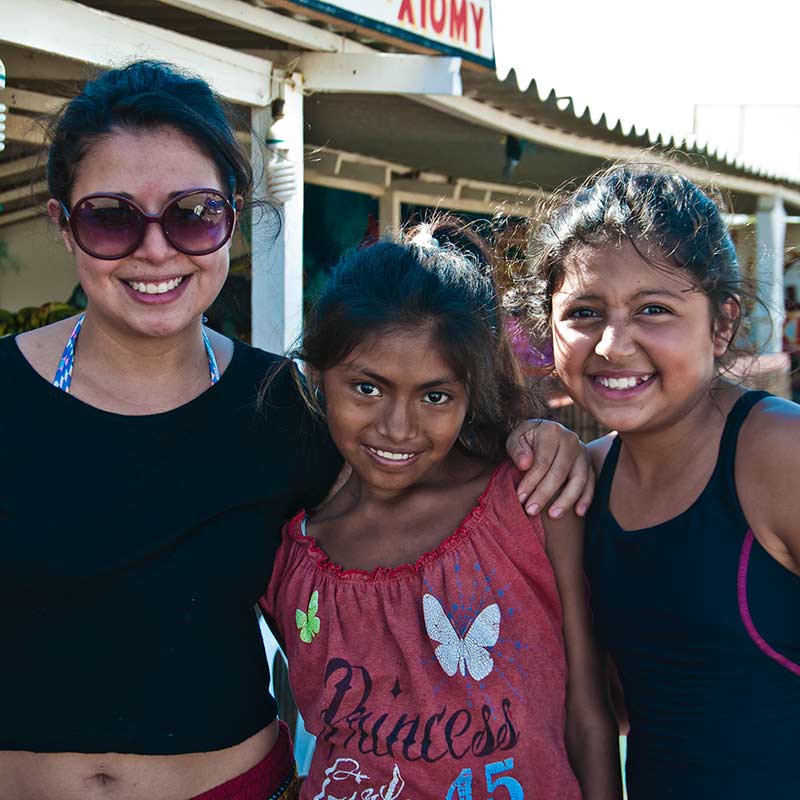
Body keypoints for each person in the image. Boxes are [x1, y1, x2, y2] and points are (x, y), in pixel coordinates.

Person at [0, 61, 592, 800]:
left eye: (191, 213)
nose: (156, 250)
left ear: (233, 217)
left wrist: (533, 440)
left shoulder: (288, 409)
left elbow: (416, 475)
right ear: (63, 223)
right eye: (111, 217)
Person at [260, 219, 622, 799]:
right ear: (317, 375)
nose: (398, 428)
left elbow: (588, 711)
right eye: (368, 388)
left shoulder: (529, 504)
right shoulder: (293, 554)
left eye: (435, 396)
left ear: (468, 395)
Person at [521, 164, 800, 799]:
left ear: (722, 322)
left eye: (654, 310)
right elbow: (617, 701)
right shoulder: (578, 481)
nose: (614, 345)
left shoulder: (780, 456)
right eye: (585, 312)